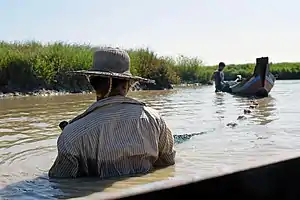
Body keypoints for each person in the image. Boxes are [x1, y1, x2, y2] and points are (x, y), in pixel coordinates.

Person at [48, 47, 176, 178]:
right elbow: (167, 163)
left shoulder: (72, 134)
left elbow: (61, 182)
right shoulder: (155, 119)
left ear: (93, 83)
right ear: (127, 85)